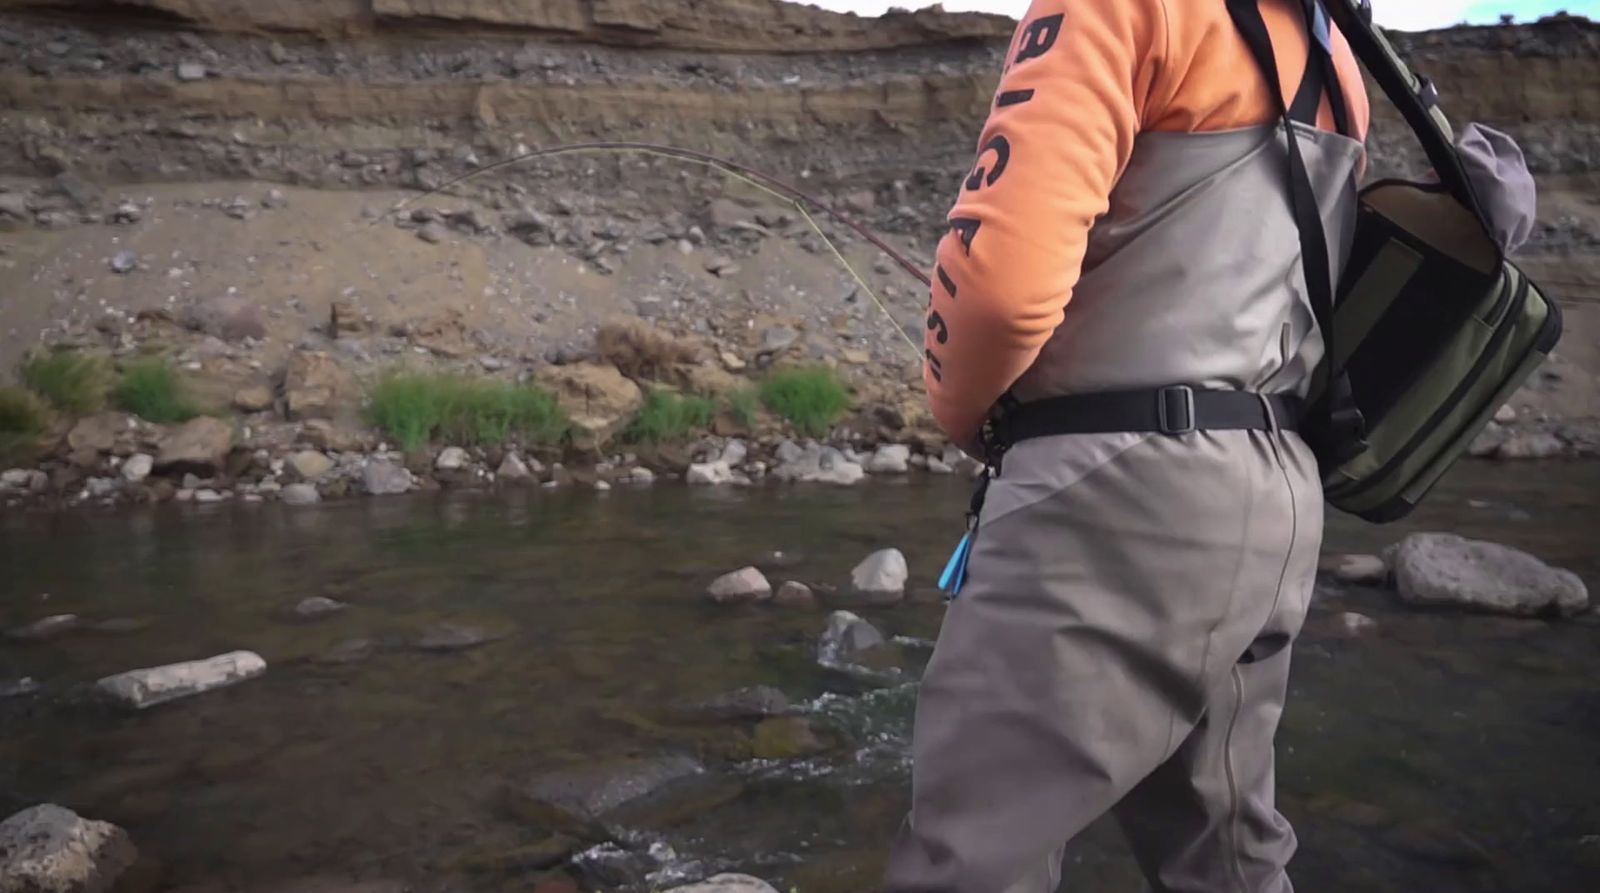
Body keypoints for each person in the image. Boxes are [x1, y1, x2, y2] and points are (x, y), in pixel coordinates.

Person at [885, 0, 1372, 890]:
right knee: (1227, 855)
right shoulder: (1337, 50)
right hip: (1273, 500)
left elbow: (996, 293)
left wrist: (967, 418)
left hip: (1115, 492)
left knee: (969, 861)